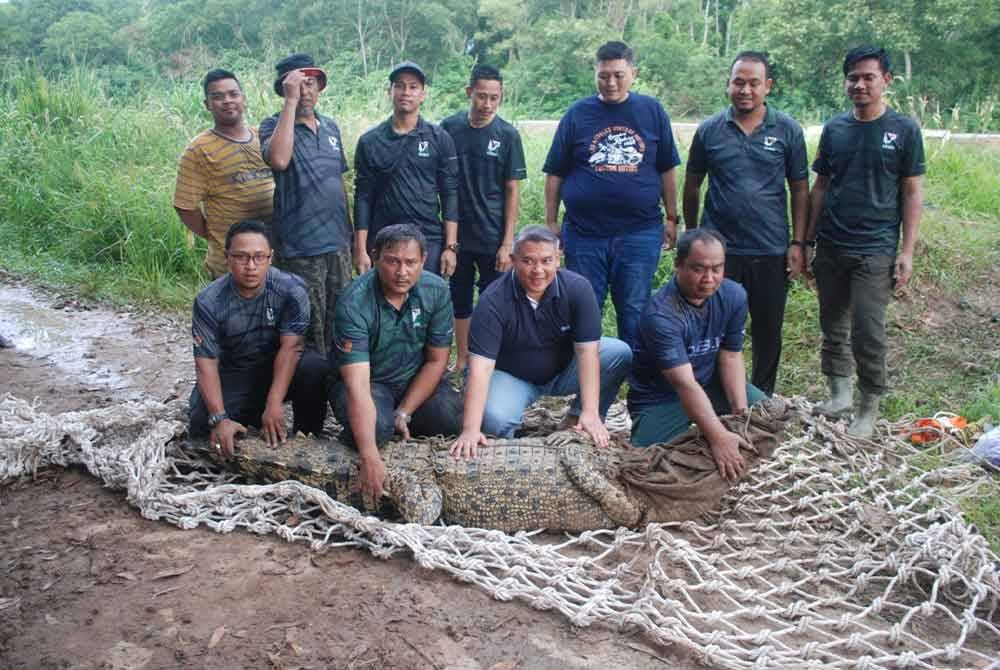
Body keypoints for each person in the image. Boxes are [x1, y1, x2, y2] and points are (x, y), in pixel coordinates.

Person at [806, 46, 925, 437]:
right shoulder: (835, 129)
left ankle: (868, 406)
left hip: (875, 249)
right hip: (831, 244)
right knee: (832, 324)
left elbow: (910, 192)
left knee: (867, 330)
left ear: (885, 80)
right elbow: (820, 186)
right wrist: (806, 241)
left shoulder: (904, 131)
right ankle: (838, 394)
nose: (859, 84)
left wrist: (906, 251)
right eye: (853, 77)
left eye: (868, 77)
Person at [683, 51, 809, 396]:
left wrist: (798, 243)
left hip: (770, 249)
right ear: (728, 85)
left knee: (768, 330)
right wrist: (692, 237)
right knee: (712, 327)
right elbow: (692, 185)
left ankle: (761, 397)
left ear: (767, 86)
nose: (746, 90)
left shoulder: (787, 130)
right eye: (739, 82)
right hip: (718, 254)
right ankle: (710, 396)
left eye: (754, 83)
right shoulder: (710, 130)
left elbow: (800, 189)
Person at [450, 225, 633, 460]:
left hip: (563, 369)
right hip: (513, 377)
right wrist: (470, 430)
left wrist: (589, 410)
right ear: (513, 260)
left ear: (558, 259)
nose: (538, 270)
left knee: (619, 352)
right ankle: (506, 446)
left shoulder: (578, 289)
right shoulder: (493, 300)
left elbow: (588, 352)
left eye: (546, 261)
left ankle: (578, 419)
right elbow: (481, 368)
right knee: (494, 419)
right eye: (528, 261)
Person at [543, 40, 681, 348]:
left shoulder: (652, 111)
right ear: (595, 74)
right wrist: (551, 222)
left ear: (633, 72)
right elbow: (555, 173)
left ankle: (636, 381)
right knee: (582, 308)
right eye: (604, 75)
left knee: (634, 309)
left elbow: (667, 169)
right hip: (584, 233)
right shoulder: (578, 113)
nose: (611, 82)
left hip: (640, 232)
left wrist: (672, 217)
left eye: (618, 74)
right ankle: (584, 378)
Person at [330, 224, 463, 497]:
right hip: (370, 382)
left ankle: (398, 420)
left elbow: (436, 361)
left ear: (423, 261)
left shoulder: (435, 290)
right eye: (392, 262)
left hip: (414, 378)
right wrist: (368, 454)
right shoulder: (354, 302)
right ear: (375, 257)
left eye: (411, 263)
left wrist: (405, 410)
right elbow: (357, 384)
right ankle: (365, 432)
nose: (402, 272)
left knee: (452, 418)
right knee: (376, 431)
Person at [628, 229, 766, 482]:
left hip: (711, 386)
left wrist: (740, 415)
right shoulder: (661, 316)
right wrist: (718, 437)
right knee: (646, 461)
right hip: (661, 398)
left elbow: (731, 356)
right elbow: (684, 383)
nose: (709, 278)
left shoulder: (734, 296)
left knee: (767, 415)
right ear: (678, 266)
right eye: (699, 269)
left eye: (717, 268)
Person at [189, 219, 329, 458]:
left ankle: (308, 435)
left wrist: (275, 402)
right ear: (227, 257)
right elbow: (206, 363)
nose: (250, 266)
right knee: (201, 422)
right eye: (241, 257)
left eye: (259, 257)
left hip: (279, 366)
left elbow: (292, 348)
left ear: (270, 257)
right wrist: (219, 417)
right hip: (236, 371)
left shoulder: (292, 290)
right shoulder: (208, 301)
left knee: (315, 366)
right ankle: (249, 415)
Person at [259, 53, 353, 357]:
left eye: (311, 84)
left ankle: (336, 391)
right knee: (307, 329)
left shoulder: (330, 128)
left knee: (341, 323)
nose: (306, 91)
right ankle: (308, 396)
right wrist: (289, 103)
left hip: (337, 246)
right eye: (299, 85)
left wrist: (350, 237)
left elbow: (338, 183)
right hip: (300, 248)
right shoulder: (273, 126)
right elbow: (279, 159)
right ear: (285, 89)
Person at [441, 65, 528, 372]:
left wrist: (508, 243)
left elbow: (512, 190)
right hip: (456, 234)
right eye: (482, 96)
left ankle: (491, 359)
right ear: (469, 93)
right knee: (458, 296)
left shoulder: (507, 135)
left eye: (494, 98)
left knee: (494, 299)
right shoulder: (449, 128)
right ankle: (463, 357)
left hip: (493, 235)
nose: (487, 104)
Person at [353, 60, 460, 280]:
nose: (406, 92)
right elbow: (363, 197)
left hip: (427, 238)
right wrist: (361, 248)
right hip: (383, 240)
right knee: (384, 308)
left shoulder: (439, 138)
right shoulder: (370, 141)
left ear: (423, 94)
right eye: (400, 86)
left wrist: (450, 247)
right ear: (389, 92)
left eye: (413, 87)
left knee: (427, 307)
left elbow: (450, 194)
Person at [174, 68, 274, 279]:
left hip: (273, 258)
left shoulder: (264, 136)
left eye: (233, 94)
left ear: (243, 98)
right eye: (218, 97)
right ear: (207, 105)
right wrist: (216, 236)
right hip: (231, 265)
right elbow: (185, 207)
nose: (227, 101)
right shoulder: (199, 150)